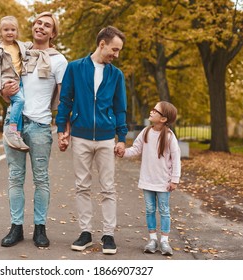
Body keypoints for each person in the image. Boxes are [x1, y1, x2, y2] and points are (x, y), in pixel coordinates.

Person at [56, 26, 128, 255]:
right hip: (81, 136)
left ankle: (108, 235)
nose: (116, 55)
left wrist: (122, 137)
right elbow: (65, 100)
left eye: (118, 51)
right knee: (82, 186)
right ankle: (85, 232)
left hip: (107, 138)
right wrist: (61, 129)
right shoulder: (75, 68)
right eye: (114, 50)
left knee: (108, 188)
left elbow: (120, 108)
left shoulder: (116, 75)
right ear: (102, 44)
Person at [0, 12, 68, 248]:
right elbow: (6, 84)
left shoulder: (59, 61)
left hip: (40, 126)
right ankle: (16, 228)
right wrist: (5, 92)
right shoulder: (18, 52)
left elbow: (63, 97)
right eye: (38, 23)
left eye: (47, 25)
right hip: (14, 123)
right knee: (15, 178)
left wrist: (63, 127)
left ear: (53, 33)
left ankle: (40, 228)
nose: (41, 27)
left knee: (41, 179)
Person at [117, 101, 181, 256]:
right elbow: (136, 149)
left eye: (155, 110)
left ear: (163, 119)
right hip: (148, 180)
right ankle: (152, 239)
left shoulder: (169, 136)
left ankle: (164, 241)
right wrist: (123, 152)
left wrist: (174, 179)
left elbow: (176, 157)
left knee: (164, 210)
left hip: (163, 182)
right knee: (150, 210)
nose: (151, 111)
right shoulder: (146, 132)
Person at [0, 16, 32, 150]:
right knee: (20, 101)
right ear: (0, 32)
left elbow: (30, 47)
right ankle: (11, 129)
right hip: (7, 80)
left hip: (20, 80)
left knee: (18, 105)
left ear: (17, 32)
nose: (9, 32)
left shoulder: (19, 45)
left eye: (13, 29)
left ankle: (17, 135)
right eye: (6, 29)